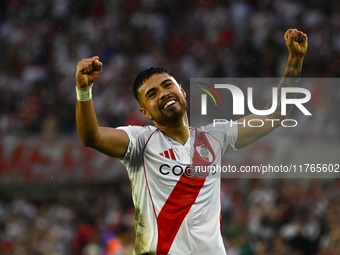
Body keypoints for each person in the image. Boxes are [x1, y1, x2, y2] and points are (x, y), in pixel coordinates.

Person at [75, 28, 308, 255]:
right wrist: (84, 91)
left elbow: (276, 114)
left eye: (167, 85)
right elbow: (91, 136)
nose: (163, 93)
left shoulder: (216, 136)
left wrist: (295, 59)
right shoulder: (140, 141)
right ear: (145, 113)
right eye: (152, 94)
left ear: (182, 92)